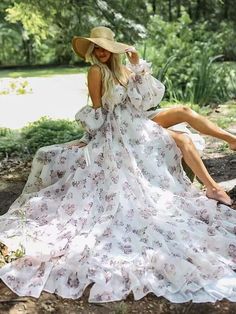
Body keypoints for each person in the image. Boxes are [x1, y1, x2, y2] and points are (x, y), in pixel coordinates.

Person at [0, 26, 236, 304]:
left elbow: (146, 98)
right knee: (183, 139)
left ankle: (231, 141)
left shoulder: (123, 69)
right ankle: (213, 188)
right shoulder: (96, 72)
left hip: (137, 120)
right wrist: (87, 138)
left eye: (105, 48)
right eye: (96, 48)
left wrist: (136, 62)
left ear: (113, 49)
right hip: (120, 129)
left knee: (184, 112)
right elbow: (98, 110)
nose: (100, 52)